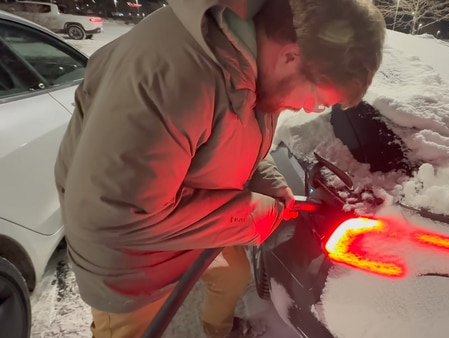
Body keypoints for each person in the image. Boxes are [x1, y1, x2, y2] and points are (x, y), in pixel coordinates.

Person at [54, 0, 386, 337]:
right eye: (318, 98)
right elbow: (117, 216)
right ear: (290, 56)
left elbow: (232, 138)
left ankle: (217, 330)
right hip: (129, 261)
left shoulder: (257, 66)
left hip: (186, 224)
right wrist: (256, 215)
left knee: (232, 273)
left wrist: (268, 180)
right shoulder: (174, 80)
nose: (308, 107)